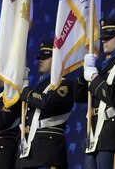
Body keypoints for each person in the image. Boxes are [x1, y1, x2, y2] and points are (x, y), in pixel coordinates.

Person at [74, 18, 115, 169]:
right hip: (93, 135)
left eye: (109, 37)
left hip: (112, 135)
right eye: (103, 37)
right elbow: (78, 96)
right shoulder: (101, 68)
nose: (104, 41)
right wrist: (85, 71)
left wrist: (93, 77)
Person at [17, 40, 74, 169]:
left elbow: (47, 103)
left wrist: (26, 92)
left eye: (46, 57)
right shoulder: (38, 86)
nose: (41, 60)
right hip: (28, 151)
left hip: (47, 152)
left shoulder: (64, 84)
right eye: (40, 57)